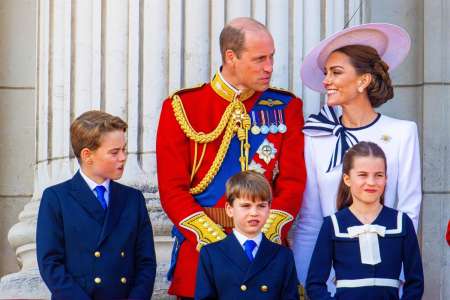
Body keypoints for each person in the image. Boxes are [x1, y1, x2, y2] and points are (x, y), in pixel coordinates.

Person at [156, 17, 306, 298]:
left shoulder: (286, 107)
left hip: (265, 254)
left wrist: (264, 233)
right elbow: (172, 190)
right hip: (202, 255)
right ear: (231, 57)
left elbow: (293, 183)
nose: (269, 67)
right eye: (260, 58)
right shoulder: (183, 107)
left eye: (272, 57)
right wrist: (217, 245)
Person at [291, 23, 422, 289]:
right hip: (330, 283)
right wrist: (306, 283)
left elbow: (408, 214)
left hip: (383, 280)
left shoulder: (402, 133)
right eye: (326, 72)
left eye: (336, 72)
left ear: (364, 80)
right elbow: (310, 219)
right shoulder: (315, 136)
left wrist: (394, 282)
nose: (326, 80)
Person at [36, 111, 157, 300]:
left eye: (124, 149)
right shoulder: (56, 198)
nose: (123, 157)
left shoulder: (133, 199)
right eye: (114, 152)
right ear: (87, 155)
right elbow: (50, 264)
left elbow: (146, 264)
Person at [306, 141, 424, 300]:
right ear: (347, 179)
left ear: (386, 178)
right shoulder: (332, 224)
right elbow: (314, 284)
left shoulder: (401, 222)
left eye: (379, 175)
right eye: (363, 175)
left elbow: (415, 282)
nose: (371, 182)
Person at [195, 171, 299, 300]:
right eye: (246, 206)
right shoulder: (211, 254)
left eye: (261, 206)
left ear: (269, 209)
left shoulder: (283, 255)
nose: (254, 213)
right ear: (229, 209)